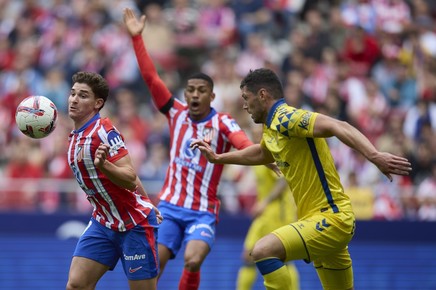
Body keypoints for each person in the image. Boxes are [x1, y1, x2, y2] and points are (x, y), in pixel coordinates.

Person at [191, 68, 412, 290]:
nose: (245, 106)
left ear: (263, 95)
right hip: (321, 222)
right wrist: (218, 158)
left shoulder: (288, 118)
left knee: (263, 250)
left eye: (246, 99)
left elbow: (338, 125)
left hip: (331, 218)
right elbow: (262, 153)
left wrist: (375, 156)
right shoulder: (272, 129)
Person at [123, 8, 268, 290]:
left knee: (193, 258)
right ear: (185, 93)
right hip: (169, 207)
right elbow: (152, 79)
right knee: (155, 263)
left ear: (212, 96)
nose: (195, 94)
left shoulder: (223, 123)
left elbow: (246, 146)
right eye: (190, 89)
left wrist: (264, 157)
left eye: (202, 90)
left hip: (202, 211)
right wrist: (137, 39)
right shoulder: (175, 113)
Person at [65, 71, 162, 290]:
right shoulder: (76, 135)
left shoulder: (104, 132)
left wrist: (104, 165)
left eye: (82, 95)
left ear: (97, 103)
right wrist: (148, 200)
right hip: (103, 222)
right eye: (72, 94)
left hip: (134, 224)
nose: (74, 99)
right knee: (76, 285)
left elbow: (129, 177)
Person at [236, 125, 300, 290]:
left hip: (277, 212)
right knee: (249, 256)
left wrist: (265, 202)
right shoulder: (259, 152)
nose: (257, 136)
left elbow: (282, 181)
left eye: (261, 133)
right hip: (266, 213)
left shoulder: (273, 151)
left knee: (282, 258)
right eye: (255, 133)